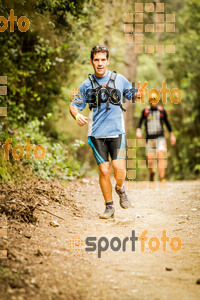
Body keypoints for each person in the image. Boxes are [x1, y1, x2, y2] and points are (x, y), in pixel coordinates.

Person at [69, 45, 139, 219]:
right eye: (96, 60)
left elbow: (132, 96)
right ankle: (109, 207)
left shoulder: (119, 79)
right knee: (105, 171)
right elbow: (73, 105)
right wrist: (77, 116)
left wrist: (139, 94)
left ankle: (120, 188)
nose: (100, 63)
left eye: (103, 60)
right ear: (92, 61)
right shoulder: (87, 84)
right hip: (96, 134)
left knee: (118, 168)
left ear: (108, 61)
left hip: (117, 132)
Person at [136, 94, 176, 182]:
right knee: (150, 159)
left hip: (160, 137)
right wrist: (138, 130)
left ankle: (162, 178)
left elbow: (167, 123)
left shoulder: (161, 111)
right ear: (149, 101)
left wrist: (172, 135)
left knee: (160, 156)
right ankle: (152, 173)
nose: (153, 102)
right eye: (152, 100)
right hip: (149, 138)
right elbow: (140, 122)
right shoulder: (145, 111)